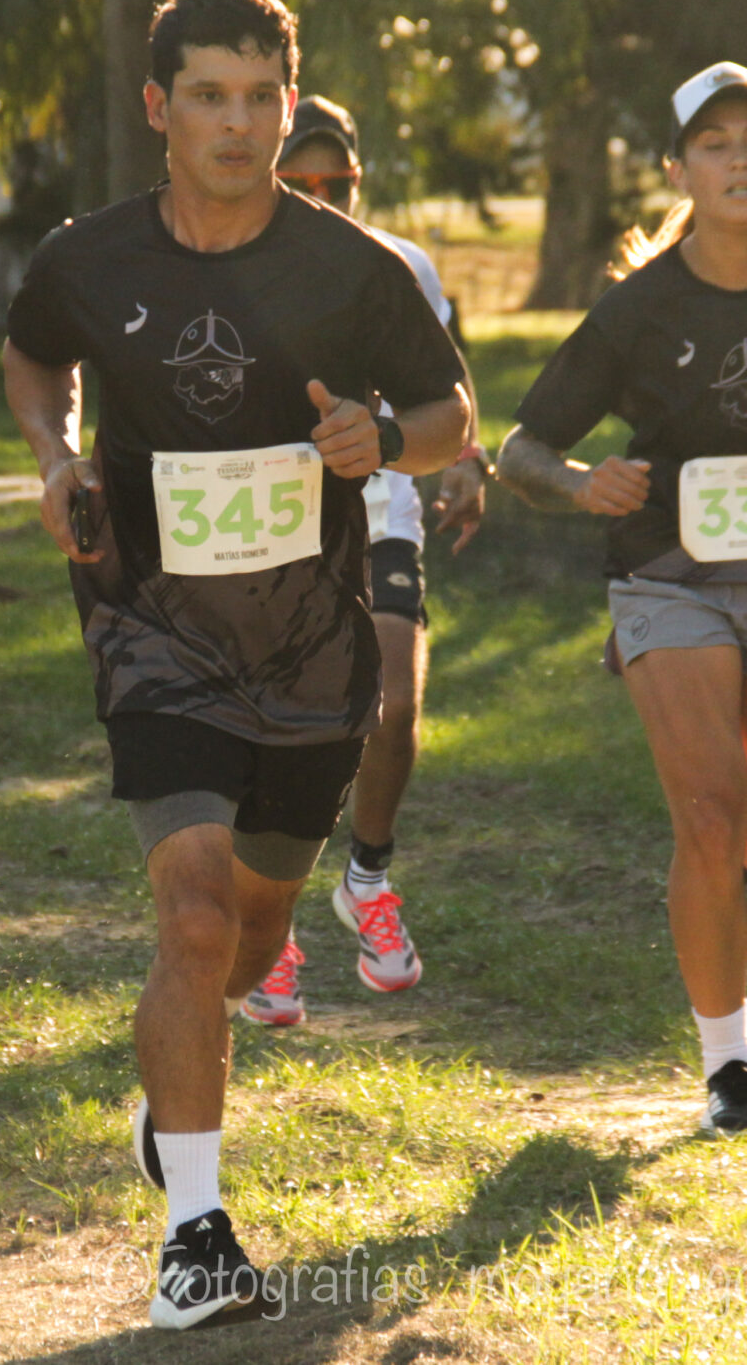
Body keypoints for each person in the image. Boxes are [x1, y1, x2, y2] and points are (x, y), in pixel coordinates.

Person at [1, 0, 471, 1330]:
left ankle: (176, 1111)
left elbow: (452, 415)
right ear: (158, 106)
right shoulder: (89, 256)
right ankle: (195, 1231)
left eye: (261, 95)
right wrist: (52, 452)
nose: (239, 121)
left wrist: (384, 436)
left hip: (313, 647)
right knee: (195, 914)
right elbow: (36, 362)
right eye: (209, 93)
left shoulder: (349, 266)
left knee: (255, 931)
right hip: (154, 623)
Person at [495, 62, 747, 1139]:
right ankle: (730, 1064)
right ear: (679, 169)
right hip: (667, 582)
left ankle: (718, 888)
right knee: (710, 816)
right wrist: (585, 485)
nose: (736, 159)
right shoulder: (638, 309)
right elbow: (522, 448)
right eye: (713, 143)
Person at [238, 95, 490, 1027]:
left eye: (332, 181)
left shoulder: (398, 266)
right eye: (295, 180)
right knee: (280, 727)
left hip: (380, 503)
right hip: (266, 519)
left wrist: (465, 463)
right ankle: (273, 926)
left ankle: (367, 877)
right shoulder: (237, 262)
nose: (317, 195)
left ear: (358, 180)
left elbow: (445, 385)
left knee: (393, 704)